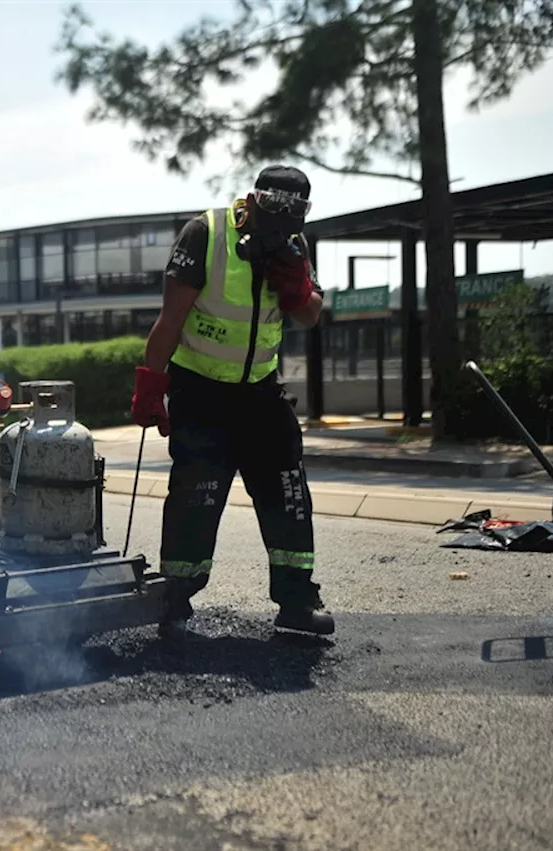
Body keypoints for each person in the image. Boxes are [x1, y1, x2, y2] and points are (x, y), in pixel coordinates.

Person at [130, 165, 335, 641]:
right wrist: (150, 386)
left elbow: (309, 315)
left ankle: (296, 600)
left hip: (260, 391)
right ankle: (176, 598)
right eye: (274, 213)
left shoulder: (295, 247)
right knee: (195, 497)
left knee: (288, 491)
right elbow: (170, 320)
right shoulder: (205, 234)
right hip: (200, 391)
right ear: (252, 200)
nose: (282, 225)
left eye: (295, 216)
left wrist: (297, 286)